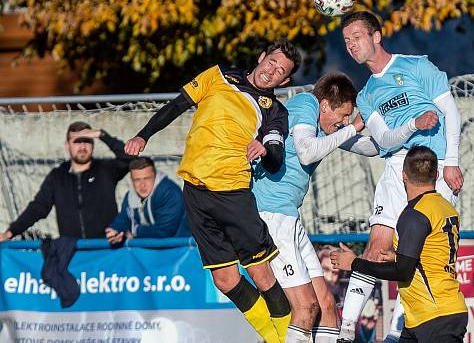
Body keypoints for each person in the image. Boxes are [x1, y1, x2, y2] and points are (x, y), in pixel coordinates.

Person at [123, 40, 302, 343]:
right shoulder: (218, 76)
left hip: (233, 196)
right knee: (225, 279)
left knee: (261, 275)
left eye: (280, 71)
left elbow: (275, 159)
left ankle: (284, 339)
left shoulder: (275, 112)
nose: (271, 71)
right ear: (261, 57)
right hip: (195, 192)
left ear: (284, 81)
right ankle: (274, 338)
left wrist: (265, 149)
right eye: (271, 61)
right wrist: (144, 135)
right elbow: (177, 105)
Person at [338, 11, 464, 342]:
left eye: (357, 37)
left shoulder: (417, 66)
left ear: (376, 36)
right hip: (398, 167)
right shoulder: (365, 96)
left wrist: (451, 162)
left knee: (419, 255)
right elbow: (384, 140)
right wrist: (339, 139)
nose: (352, 45)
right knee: (378, 246)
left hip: (433, 167)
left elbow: (450, 111)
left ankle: (397, 334)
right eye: (347, 41)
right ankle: (344, 330)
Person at [250, 72, 378, 343]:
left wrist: (402, 133)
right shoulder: (305, 103)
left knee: (327, 306)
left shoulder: (325, 128)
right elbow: (307, 151)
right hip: (271, 216)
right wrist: (352, 127)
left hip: (289, 218)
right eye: (342, 115)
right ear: (324, 105)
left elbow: (371, 148)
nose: (344, 121)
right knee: (305, 308)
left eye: (348, 117)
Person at [332, 145, 468, 343]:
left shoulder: (414, 214)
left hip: (435, 318)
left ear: (403, 175)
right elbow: (430, 255)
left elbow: (402, 271)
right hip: (426, 318)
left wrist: (354, 263)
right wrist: (399, 256)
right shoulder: (446, 207)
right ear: (437, 174)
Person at [0, 121, 132, 241]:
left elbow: (130, 159)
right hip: (72, 252)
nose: (82, 146)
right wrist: (10, 232)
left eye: (87, 140)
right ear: (67, 145)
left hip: (106, 249)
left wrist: (102, 135)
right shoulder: (57, 177)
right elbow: (38, 207)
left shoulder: (105, 169)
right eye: (77, 141)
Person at [105, 157, 190, 244]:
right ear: (131, 180)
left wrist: (135, 230)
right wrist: (115, 230)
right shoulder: (130, 196)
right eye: (137, 180)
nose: (142, 185)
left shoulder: (169, 192)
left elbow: (164, 232)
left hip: (181, 250)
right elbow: (124, 218)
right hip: (152, 251)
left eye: (147, 178)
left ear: (155, 176)